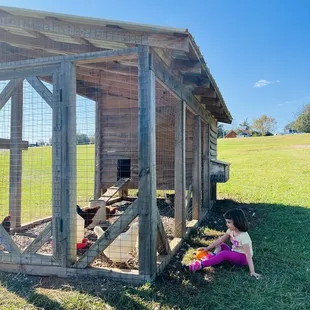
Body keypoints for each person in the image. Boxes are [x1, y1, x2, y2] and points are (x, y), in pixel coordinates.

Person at [189, 208, 261, 279]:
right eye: (226, 222)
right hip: (235, 253)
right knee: (220, 244)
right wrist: (207, 248)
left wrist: (252, 271)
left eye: (229, 222)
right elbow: (221, 239)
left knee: (224, 253)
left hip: (243, 258)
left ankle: (200, 265)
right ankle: (212, 257)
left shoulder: (244, 237)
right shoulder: (230, 230)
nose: (227, 224)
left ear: (237, 222)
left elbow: (248, 255)